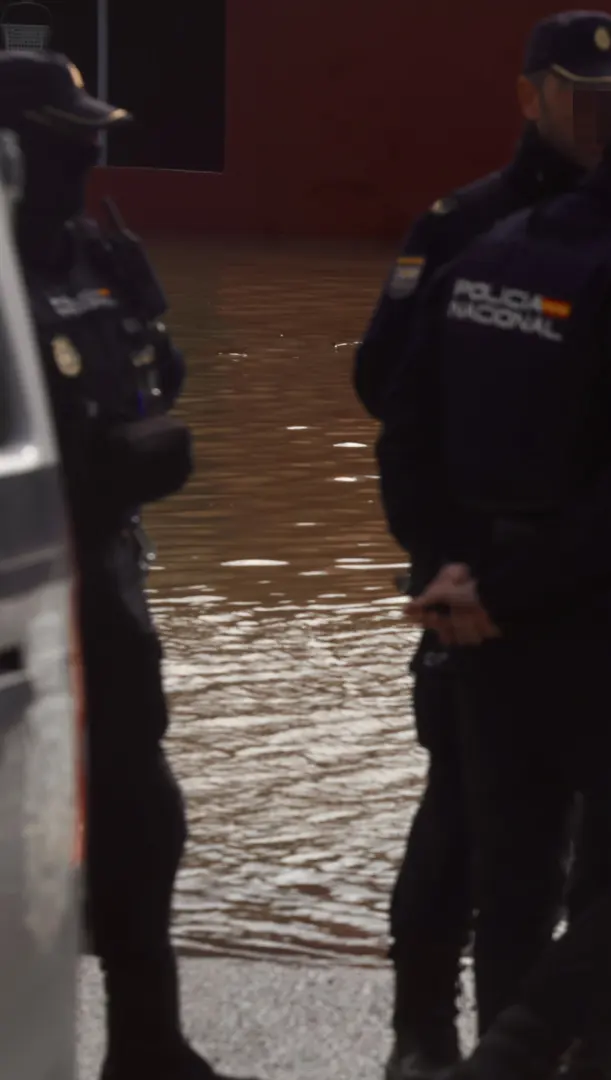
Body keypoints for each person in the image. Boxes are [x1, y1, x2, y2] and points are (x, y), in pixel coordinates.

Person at [375, 65, 611, 1080]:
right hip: (601, 626)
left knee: (520, 871)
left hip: (480, 622)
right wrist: (501, 593)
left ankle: (529, 1055)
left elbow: (402, 427)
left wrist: (458, 569)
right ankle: (519, 1054)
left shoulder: (496, 252)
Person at [0, 51, 253, 1080]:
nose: (88, 156)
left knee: (144, 823)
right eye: (67, 139)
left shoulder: (94, 257)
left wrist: (152, 329)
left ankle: (148, 1044)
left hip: (105, 592)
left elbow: (152, 384)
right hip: (17, 609)